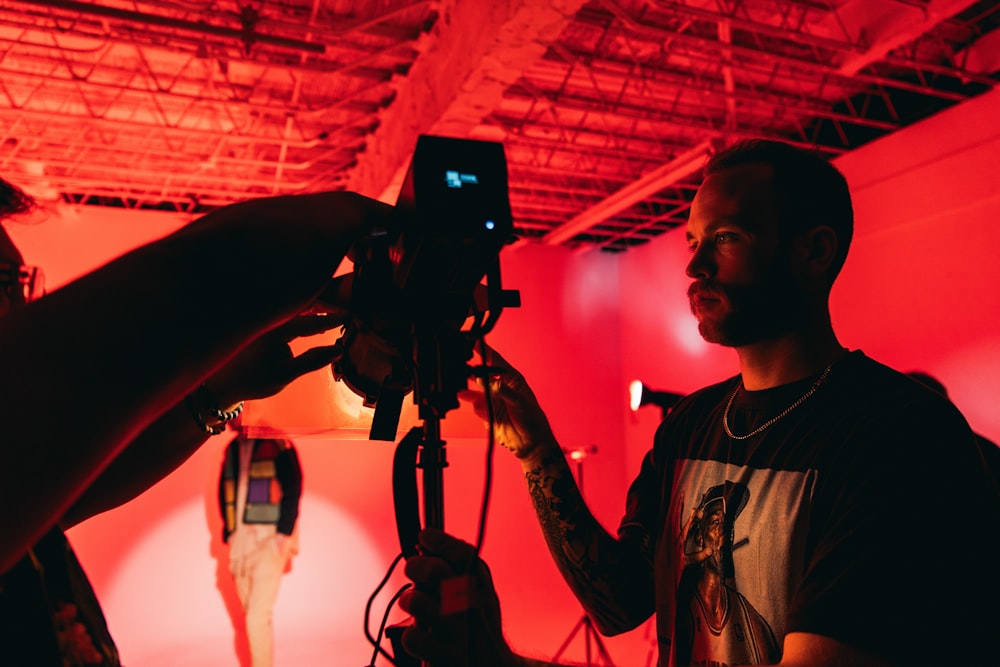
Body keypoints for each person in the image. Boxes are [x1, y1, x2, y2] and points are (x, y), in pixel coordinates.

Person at [398, 139, 1000, 666]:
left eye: (726, 237)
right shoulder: (689, 424)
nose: (694, 264)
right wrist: (536, 450)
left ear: (815, 252)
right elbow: (619, 601)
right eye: (693, 240)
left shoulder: (899, 437)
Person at [0, 176, 391, 665]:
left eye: (22, 282)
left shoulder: (23, 511)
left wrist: (222, 388)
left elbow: (87, 482)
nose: (24, 306)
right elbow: (176, 292)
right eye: (4, 282)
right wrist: (341, 218)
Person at [219, 427, 302, 667]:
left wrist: (284, 532)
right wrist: (230, 531)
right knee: (251, 616)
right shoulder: (233, 448)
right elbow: (224, 489)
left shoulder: (278, 443)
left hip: (269, 537)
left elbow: (294, 486)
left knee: (256, 618)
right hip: (241, 540)